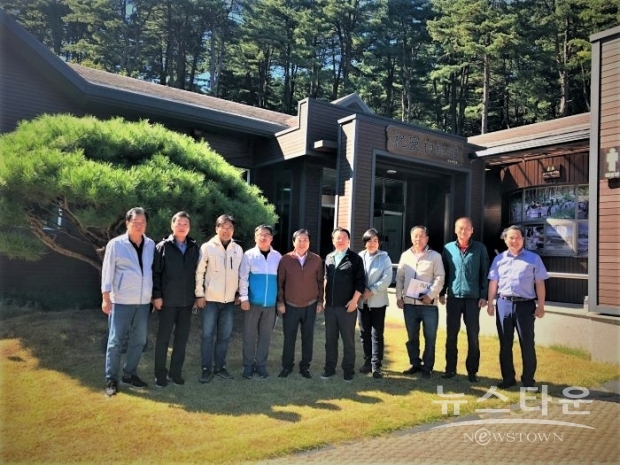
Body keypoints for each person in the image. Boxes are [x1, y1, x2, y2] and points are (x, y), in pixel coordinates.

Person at [101, 207, 155, 396]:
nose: (139, 226)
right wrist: (106, 297)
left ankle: (129, 374)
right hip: (121, 302)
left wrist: (152, 296)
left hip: (143, 303)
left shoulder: (150, 244)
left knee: (139, 340)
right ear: (127, 223)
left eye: (142, 223)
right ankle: (111, 379)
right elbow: (107, 271)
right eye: (135, 222)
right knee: (115, 341)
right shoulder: (116, 244)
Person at [487, 225, 549, 389]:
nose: (514, 241)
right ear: (505, 239)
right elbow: (493, 282)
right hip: (504, 304)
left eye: (518, 238)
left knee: (527, 343)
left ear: (523, 239)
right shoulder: (498, 259)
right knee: (505, 343)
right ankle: (508, 378)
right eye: (511, 238)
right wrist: (490, 303)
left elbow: (540, 283)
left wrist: (541, 306)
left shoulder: (534, 258)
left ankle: (528, 380)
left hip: (525, 306)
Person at [152, 211, 200, 388]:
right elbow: (156, 273)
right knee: (163, 339)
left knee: (181, 339)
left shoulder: (194, 247)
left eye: (185, 224)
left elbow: (197, 274)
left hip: (186, 302)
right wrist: (157, 296)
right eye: (179, 223)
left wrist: (196, 296)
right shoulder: (163, 247)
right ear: (172, 225)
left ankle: (175, 373)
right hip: (167, 301)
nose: (182, 227)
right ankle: (160, 374)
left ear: (189, 227)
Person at [439, 217, 490, 383]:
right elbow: (444, 272)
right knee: (451, 335)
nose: (463, 231)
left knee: (473, 336)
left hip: (473, 299)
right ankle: (450, 369)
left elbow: (485, 273)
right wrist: (442, 292)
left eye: (467, 228)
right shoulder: (448, 249)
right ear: (455, 230)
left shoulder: (480, 249)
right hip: (454, 298)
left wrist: (484, 296)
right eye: (460, 228)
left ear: (472, 230)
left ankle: (472, 371)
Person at [195, 214, 243, 383]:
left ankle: (220, 367)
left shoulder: (238, 249)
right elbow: (199, 272)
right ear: (216, 228)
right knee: (207, 336)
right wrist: (199, 294)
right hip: (209, 300)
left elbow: (240, 274)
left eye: (230, 227)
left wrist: (239, 293)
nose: (226, 230)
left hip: (229, 302)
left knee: (224, 336)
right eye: (223, 226)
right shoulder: (207, 247)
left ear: (233, 230)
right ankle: (206, 368)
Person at [395, 226, 445, 379]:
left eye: (421, 236)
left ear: (427, 238)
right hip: (409, 305)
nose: (418, 239)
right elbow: (399, 278)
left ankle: (427, 367)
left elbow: (440, 278)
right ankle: (415, 363)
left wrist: (430, 295)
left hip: (428, 305)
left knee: (430, 337)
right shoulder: (405, 255)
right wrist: (399, 297)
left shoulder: (435, 256)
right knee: (412, 337)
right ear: (411, 238)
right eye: (415, 236)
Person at [276, 229, 324, 379]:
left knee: (308, 337)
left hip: (310, 304)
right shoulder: (285, 259)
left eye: (305, 240)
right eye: (299, 240)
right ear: (293, 242)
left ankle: (305, 366)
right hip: (290, 305)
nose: (302, 243)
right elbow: (280, 283)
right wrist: (280, 302)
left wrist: (320, 301)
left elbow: (320, 282)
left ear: (309, 242)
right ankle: (287, 366)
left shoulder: (316, 260)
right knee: (289, 337)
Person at [321, 227, 365, 382]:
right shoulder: (329, 257)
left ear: (349, 240)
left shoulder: (355, 259)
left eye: (343, 237)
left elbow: (360, 282)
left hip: (347, 306)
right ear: (333, 240)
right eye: (337, 237)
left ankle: (348, 370)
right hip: (330, 307)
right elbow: (326, 279)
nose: (340, 240)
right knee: (330, 340)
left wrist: (354, 301)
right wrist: (324, 299)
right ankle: (329, 369)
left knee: (348, 340)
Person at [238, 225, 282, 379]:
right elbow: (243, 278)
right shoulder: (249, 255)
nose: (263, 237)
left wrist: (279, 301)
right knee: (249, 335)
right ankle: (248, 365)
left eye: (266, 234)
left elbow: (280, 281)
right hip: (252, 303)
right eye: (260, 235)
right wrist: (244, 298)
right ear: (255, 237)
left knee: (265, 336)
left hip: (270, 305)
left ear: (271, 238)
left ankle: (261, 365)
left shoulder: (278, 257)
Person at [357, 228, 393, 379]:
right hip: (362, 302)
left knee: (376, 334)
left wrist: (371, 290)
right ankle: (367, 361)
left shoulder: (385, 258)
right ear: (364, 242)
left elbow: (387, 278)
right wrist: (361, 291)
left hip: (378, 302)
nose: (372, 243)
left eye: (375, 240)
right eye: (369, 241)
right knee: (364, 333)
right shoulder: (359, 256)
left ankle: (376, 365)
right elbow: (356, 275)